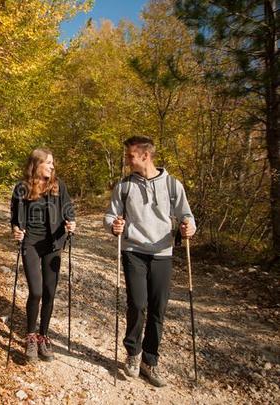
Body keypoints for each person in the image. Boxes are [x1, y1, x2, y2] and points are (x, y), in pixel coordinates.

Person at [104, 135, 196, 387]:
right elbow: (110, 215)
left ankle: (150, 361)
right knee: (138, 303)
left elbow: (186, 215)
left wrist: (189, 227)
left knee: (158, 309)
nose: (127, 160)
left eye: (130, 155)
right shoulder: (124, 186)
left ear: (145, 155)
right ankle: (133, 353)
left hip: (163, 253)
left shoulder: (173, 185)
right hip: (133, 250)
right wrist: (114, 225)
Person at [10, 148, 76, 362]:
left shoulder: (59, 186)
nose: (52, 166)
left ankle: (43, 336)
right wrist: (16, 229)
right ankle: (30, 336)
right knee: (36, 291)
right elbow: (15, 216)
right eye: (48, 162)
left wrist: (71, 222)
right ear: (36, 164)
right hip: (31, 243)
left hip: (54, 244)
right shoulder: (22, 188)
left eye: (53, 163)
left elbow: (68, 209)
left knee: (49, 291)